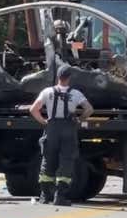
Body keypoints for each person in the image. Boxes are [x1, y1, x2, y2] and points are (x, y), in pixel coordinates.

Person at [29, 66, 94, 206]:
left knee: (48, 159)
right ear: (69, 78)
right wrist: (79, 119)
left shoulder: (47, 91)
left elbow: (33, 109)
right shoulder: (76, 93)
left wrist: (44, 122)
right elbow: (89, 109)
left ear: (58, 77)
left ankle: (45, 196)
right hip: (68, 129)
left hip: (52, 128)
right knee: (66, 161)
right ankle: (60, 197)